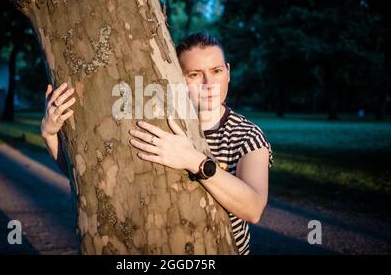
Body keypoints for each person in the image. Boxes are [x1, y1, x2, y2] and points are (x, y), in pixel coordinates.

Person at [40, 32, 273, 255]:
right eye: (194, 74)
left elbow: (253, 209)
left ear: (228, 72)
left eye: (216, 71)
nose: (208, 83)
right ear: (177, 79)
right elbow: (89, 179)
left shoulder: (247, 135)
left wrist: (194, 160)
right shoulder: (158, 123)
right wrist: (50, 134)